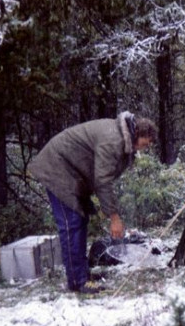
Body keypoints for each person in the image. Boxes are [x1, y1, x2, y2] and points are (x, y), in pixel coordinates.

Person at [29, 111, 157, 293]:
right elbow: (102, 180)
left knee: (80, 221)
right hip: (57, 169)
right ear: (138, 133)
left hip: (72, 173)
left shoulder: (122, 138)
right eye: (146, 143)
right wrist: (114, 217)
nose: (145, 147)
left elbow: (104, 176)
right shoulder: (113, 141)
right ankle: (77, 282)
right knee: (71, 224)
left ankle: (81, 274)